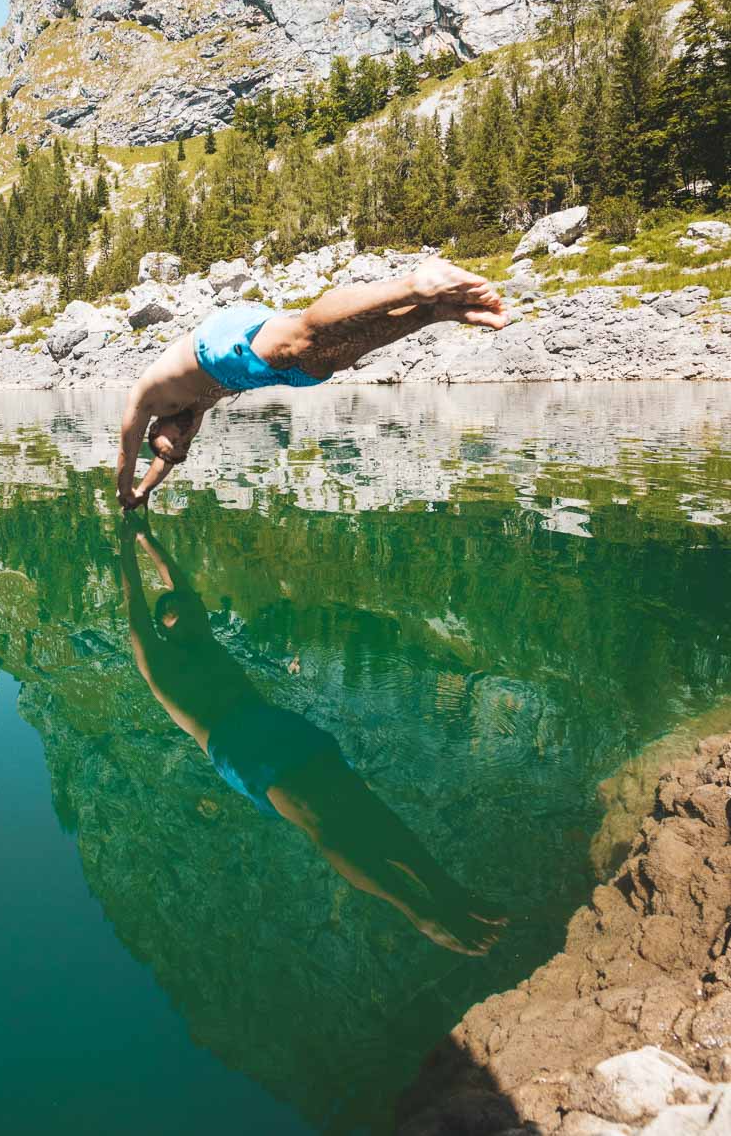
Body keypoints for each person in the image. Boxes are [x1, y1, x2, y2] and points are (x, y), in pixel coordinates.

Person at [120, 517, 506, 955]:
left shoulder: (201, 638)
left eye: (192, 612)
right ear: (161, 626)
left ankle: (445, 889)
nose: (191, 617)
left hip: (274, 721)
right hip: (238, 746)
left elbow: (181, 587)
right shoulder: (158, 661)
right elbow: (135, 605)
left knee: (363, 806)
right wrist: (125, 548)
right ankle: (419, 912)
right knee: (323, 823)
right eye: (178, 616)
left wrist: (146, 537)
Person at [116, 255, 509, 509]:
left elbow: (127, 451)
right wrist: (146, 491)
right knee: (332, 360)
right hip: (251, 374)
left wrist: (126, 490)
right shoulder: (192, 414)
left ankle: (414, 284)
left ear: (157, 425)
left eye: (170, 441)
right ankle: (435, 310)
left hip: (216, 347)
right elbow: (166, 461)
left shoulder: (147, 398)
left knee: (301, 338)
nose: (181, 440)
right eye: (182, 447)